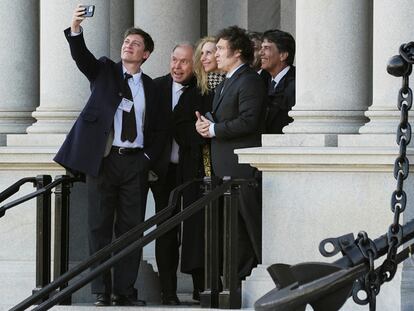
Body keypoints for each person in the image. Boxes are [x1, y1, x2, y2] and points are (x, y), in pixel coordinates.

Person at [54, 5, 166, 306]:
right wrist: (76, 29)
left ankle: (125, 292)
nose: (128, 45)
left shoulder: (153, 89)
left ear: (146, 54)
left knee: (131, 230)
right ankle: (101, 291)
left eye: (136, 43)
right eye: (126, 41)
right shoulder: (104, 70)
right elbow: (82, 58)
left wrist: (145, 161)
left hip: (135, 162)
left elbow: (158, 131)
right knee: (99, 227)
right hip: (103, 160)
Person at [195, 25, 266, 281]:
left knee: (247, 229)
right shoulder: (227, 82)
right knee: (233, 230)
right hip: (226, 168)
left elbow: (248, 121)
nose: (216, 55)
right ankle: (235, 282)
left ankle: (249, 280)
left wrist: (214, 129)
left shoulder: (248, 80)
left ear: (237, 53)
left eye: (222, 49)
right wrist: (206, 126)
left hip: (241, 170)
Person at [150, 43, 209, 304]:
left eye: (184, 61)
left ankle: (200, 287)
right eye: (174, 60)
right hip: (162, 172)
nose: (177, 66)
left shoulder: (203, 90)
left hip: (191, 170)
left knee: (196, 228)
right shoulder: (156, 87)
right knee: (165, 231)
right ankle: (168, 291)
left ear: (193, 64)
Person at [260, 29, 296, 134]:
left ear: (283, 55)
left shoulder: (296, 85)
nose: (260, 53)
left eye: (266, 48)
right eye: (261, 48)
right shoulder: (261, 81)